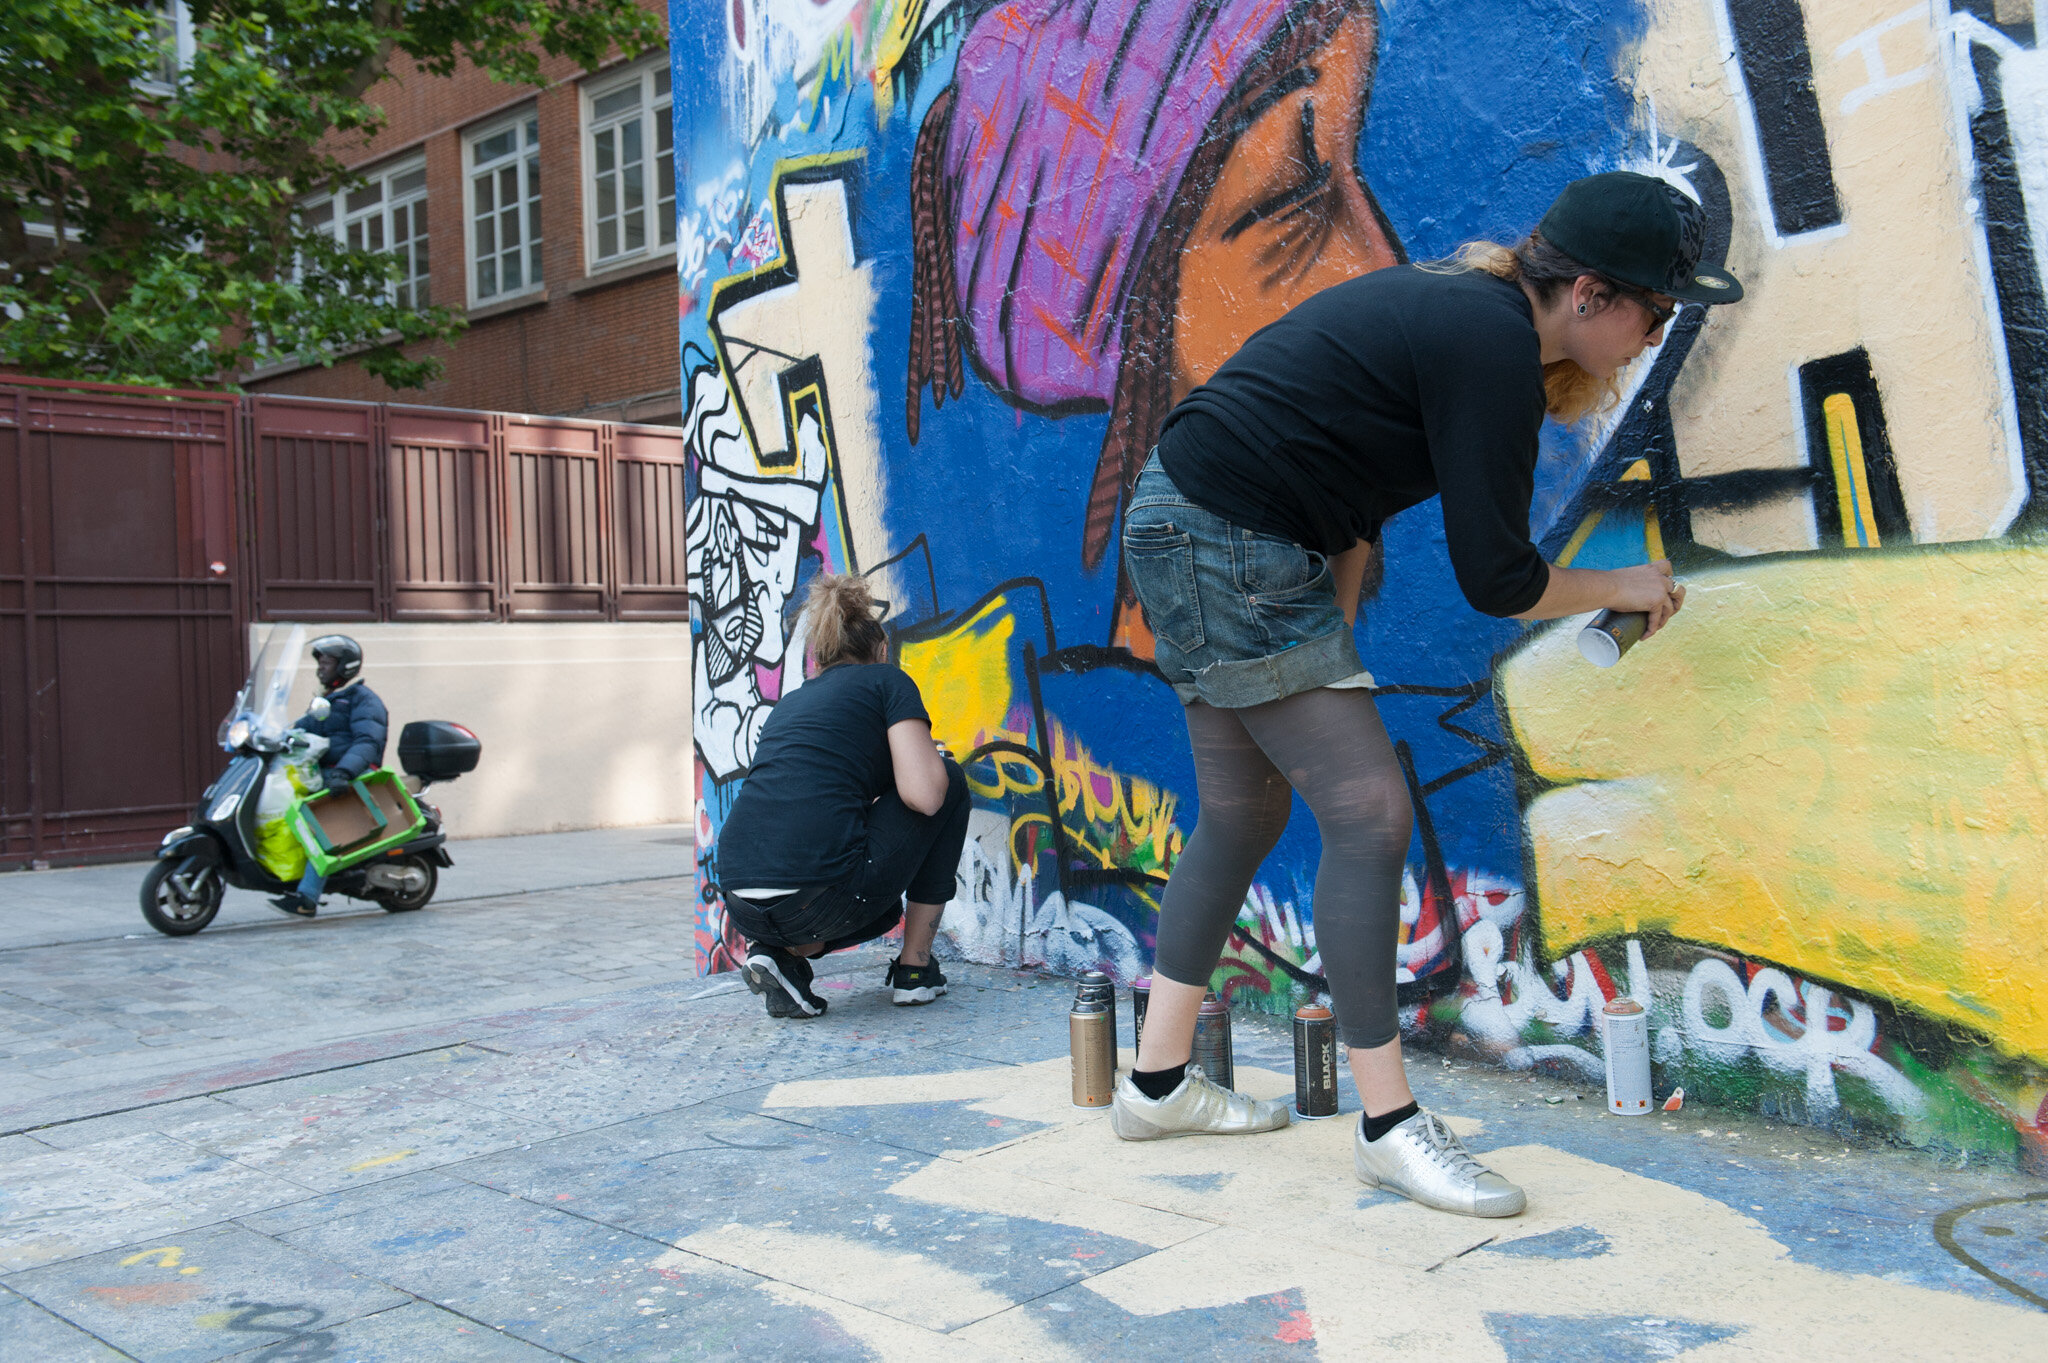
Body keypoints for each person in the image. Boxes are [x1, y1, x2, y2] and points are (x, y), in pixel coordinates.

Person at [1111, 172, 1745, 1216]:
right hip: (1226, 536)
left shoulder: (1472, 323)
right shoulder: (1488, 341)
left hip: (1198, 522)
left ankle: (1155, 1083)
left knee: (1240, 813)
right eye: (1655, 307)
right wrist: (1624, 585)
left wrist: (1332, 632)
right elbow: (1496, 580)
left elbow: (1353, 493)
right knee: (1368, 815)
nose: (1656, 332)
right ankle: (1388, 1127)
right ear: (1588, 293)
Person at [714, 573, 971, 1019]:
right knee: (948, 781)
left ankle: (779, 956)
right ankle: (916, 970)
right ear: (881, 651)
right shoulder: (886, 681)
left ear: (819, 661)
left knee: (871, 904)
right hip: (819, 899)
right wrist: (931, 762)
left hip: (740, 903)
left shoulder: (790, 703)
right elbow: (926, 795)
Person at [271, 634, 388, 917]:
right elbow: (302, 728)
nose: (321, 668)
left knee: (319, 823)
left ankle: (307, 897)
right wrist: (271, 738)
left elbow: (367, 742)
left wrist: (344, 772)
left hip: (350, 776)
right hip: (326, 773)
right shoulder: (328, 701)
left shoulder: (363, 700)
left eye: (327, 662)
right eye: (320, 662)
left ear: (345, 666)